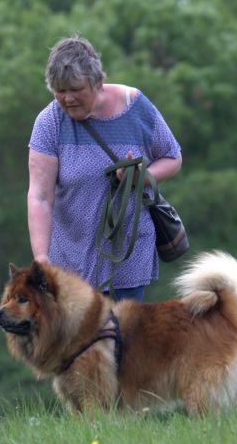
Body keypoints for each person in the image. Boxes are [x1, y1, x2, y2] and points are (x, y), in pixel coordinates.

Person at [28, 35, 182, 302]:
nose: (67, 98)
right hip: (69, 264)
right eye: (59, 90)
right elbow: (40, 197)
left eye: (75, 89)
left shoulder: (136, 107)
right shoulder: (49, 122)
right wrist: (41, 258)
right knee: (78, 344)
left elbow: (173, 157)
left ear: (98, 82)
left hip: (128, 257)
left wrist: (144, 177)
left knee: (122, 341)